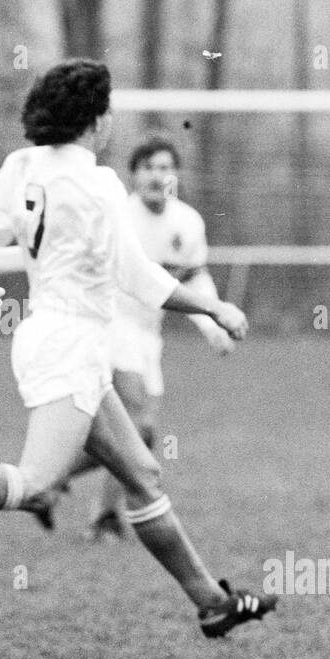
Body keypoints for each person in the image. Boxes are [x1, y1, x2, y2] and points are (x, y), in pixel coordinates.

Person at [0, 59, 275, 645]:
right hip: (71, 344)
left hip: (51, 337)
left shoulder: (22, 165)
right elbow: (138, 276)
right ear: (95, 120)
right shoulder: (100, 182)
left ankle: (211, 603)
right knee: (37, 484)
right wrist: (214, 309)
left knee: (144, 475)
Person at [85, 137, 236, 541]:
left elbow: (194, 277)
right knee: (135, 416)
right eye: (149, 166)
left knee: (141, 431)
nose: (158, 175)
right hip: (110, 325)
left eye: (166, 167)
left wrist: (212, 326)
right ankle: (104, 515)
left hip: (148, 336)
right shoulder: (119, 217)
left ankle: (58, 483)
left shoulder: (188, 223)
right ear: (134, 174)